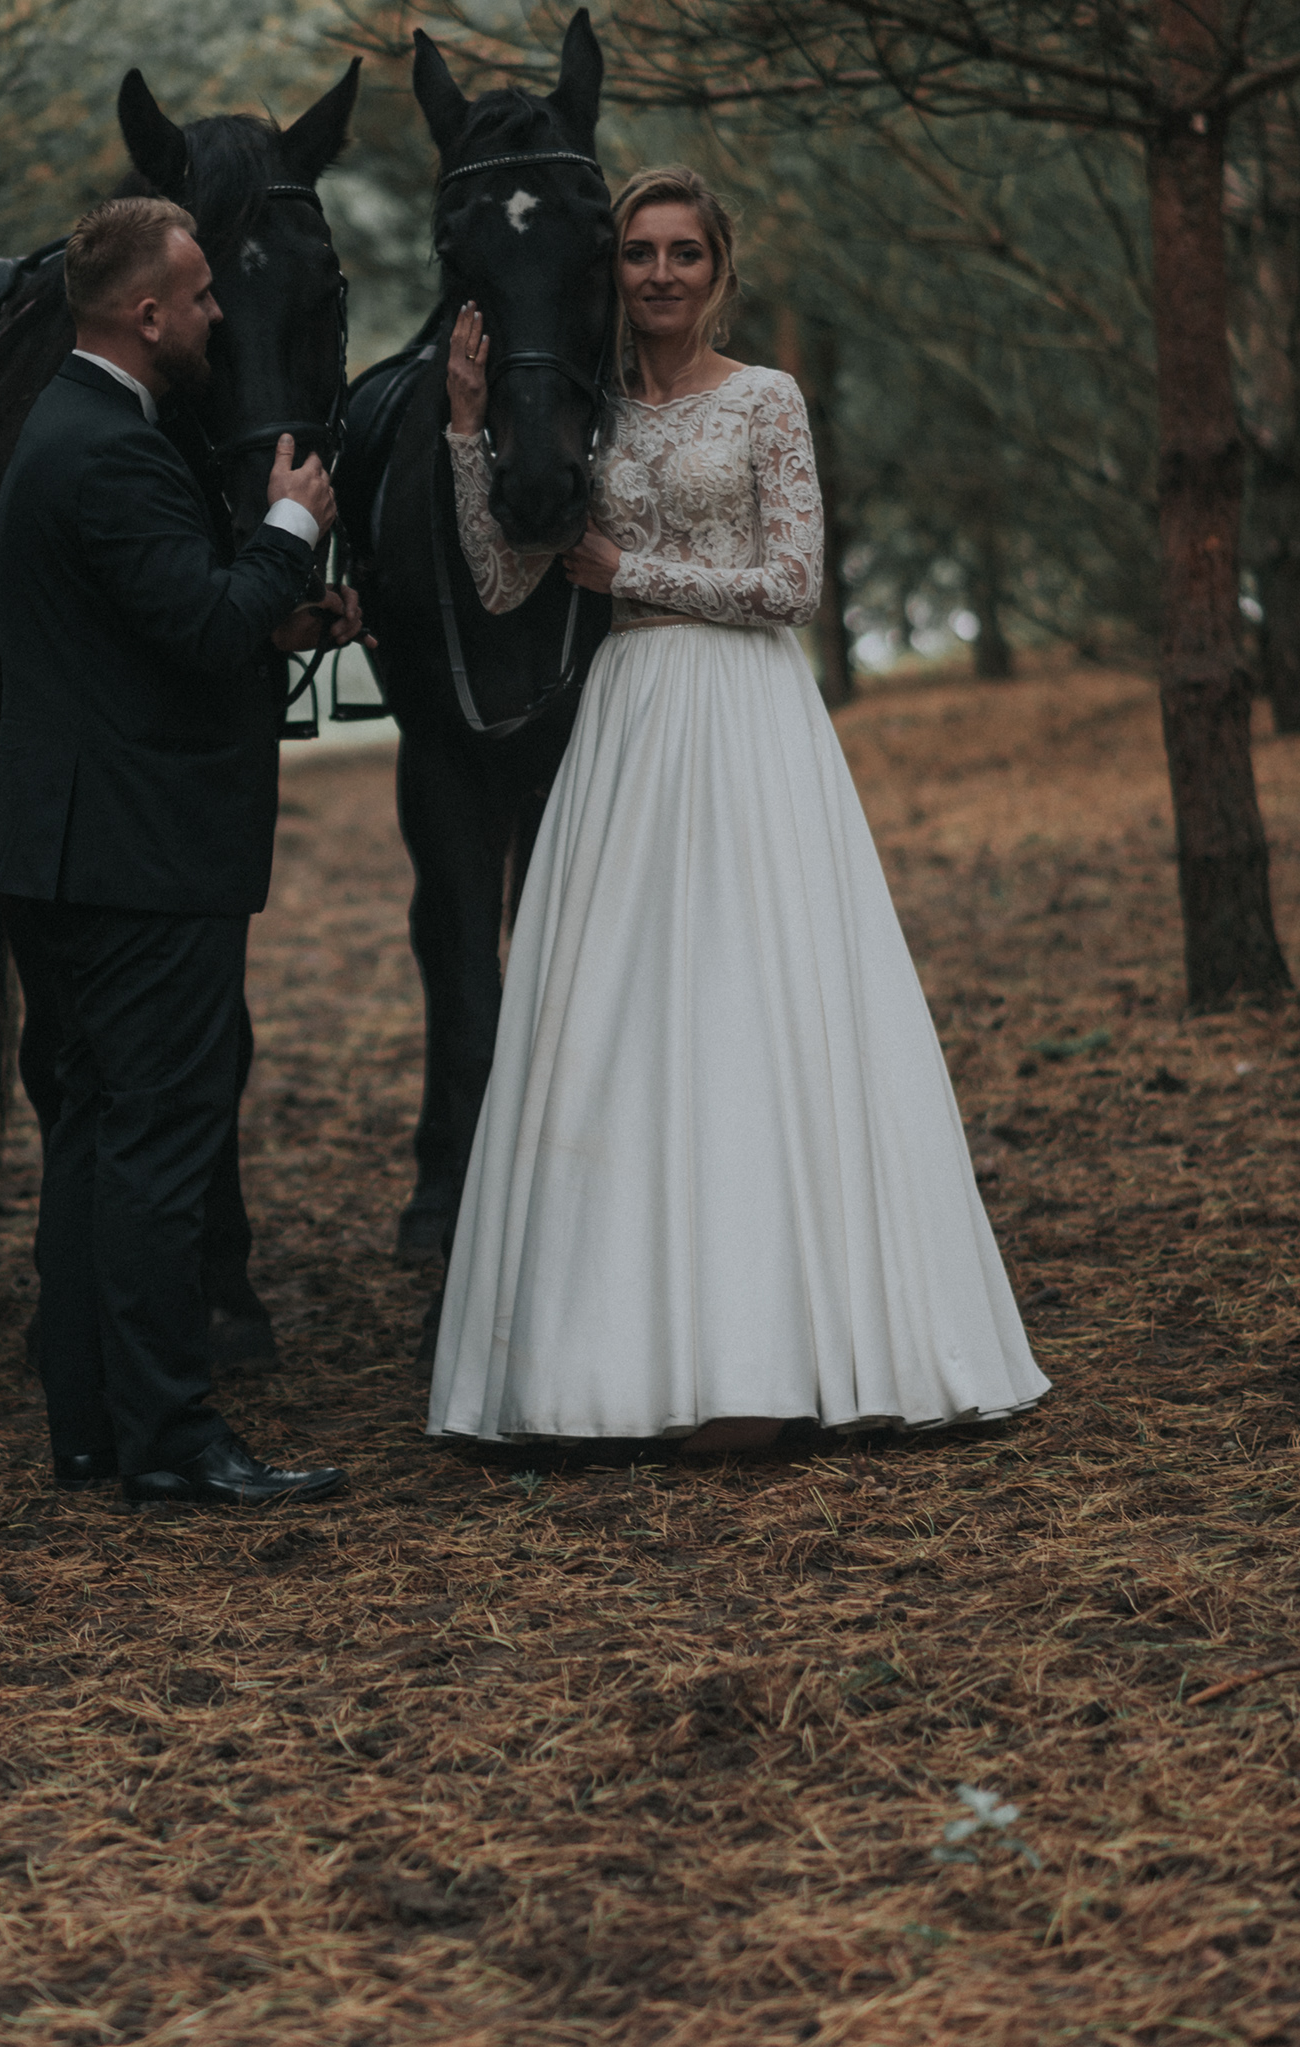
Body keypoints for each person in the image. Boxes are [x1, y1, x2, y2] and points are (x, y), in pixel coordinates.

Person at [427, 164, 1049, 1454]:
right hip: (628, 726)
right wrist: (468, 430)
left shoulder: (766, 399)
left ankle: (788, 1349)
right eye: (639, 253)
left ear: (718, 271)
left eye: (684, 254)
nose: (660, 274)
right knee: (627, 1014)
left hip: (748, 720)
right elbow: (501, 584)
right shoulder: (589, 413)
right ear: (613, 272)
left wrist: (629, 568)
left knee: (759, 1002)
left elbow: (794, 585)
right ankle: (615, 1357)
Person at [0, 195, 358, 1507]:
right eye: (199, 296)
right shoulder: (117, 454)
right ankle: (173, 1439)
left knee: (96, 1136)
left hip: (67, 848)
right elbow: (199, 625)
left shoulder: (67, 428)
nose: (215, 314)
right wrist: (291, 526)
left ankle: (93, 1426)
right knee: (158, 1145)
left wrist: (278, 617)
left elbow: (146, 631)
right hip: (137, 858)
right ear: (146, 315)